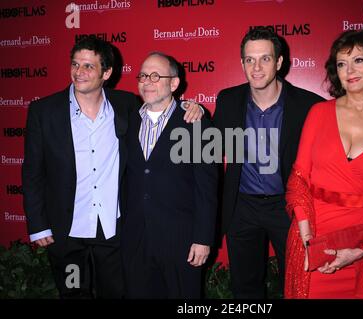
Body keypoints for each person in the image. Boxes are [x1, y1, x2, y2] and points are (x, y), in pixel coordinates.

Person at [22, 38, 202, 299]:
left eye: (88, 66)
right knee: (73, 292)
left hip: (114, 232)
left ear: (106, 73)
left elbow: (163, 107)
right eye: (75, 64)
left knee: (116, 294)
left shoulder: (126, 106)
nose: (79, 72)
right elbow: (32, 173)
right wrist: (38, 224)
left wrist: (191, 106)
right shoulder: (44, 111)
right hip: (68, 233)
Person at [284, 29, 363, 299]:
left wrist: (361, 248)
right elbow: (299, 178)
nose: (349, 70)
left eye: (358, 60)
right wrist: (308, 241)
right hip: (313, 237)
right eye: (342, 63)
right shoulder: (319, 113)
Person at [213, 27, 324, 298]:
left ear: (279, 62)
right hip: (242, 207)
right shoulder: (228, 100)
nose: (257, 67)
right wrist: (190, 111)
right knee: (245, 287)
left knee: (299, 282)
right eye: (250, 60)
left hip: (287, 208)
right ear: (241, 63)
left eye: (265, 58)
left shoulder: (309, 106)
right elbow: (210, 150)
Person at [121, 52, 218, 298]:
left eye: (156, 76)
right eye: (143, 76)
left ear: (174, 84)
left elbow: (208, 188)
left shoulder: (197, 125)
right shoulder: (127, 119)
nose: (147, 81)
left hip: (181, 242)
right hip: (136, 240)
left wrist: (203, 238)